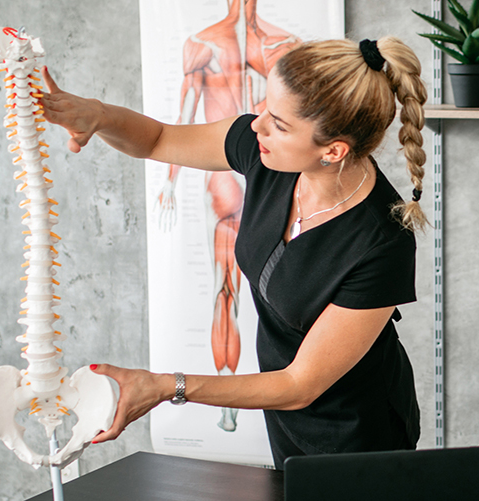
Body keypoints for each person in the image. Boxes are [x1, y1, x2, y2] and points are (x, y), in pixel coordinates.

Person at [39, 34, 428, 469]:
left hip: (358, 436)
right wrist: (100, 115)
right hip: (286, 419)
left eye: (279, 124)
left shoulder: (382, 242)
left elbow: (300, 384)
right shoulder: (269, 155)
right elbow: (157, 139)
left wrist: (168, 386)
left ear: (333, 150)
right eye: (265, 109)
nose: (257, 126)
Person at [153, 0, 301, 433]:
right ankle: (232, 401)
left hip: (246, 179)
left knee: (228, 293)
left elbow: (181, 120)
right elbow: (176, 126)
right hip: (270, 179)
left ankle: (229, 405)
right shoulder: (285, 46)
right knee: (249, 294)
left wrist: (170, 182)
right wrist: (169, 182)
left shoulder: (204, 44)